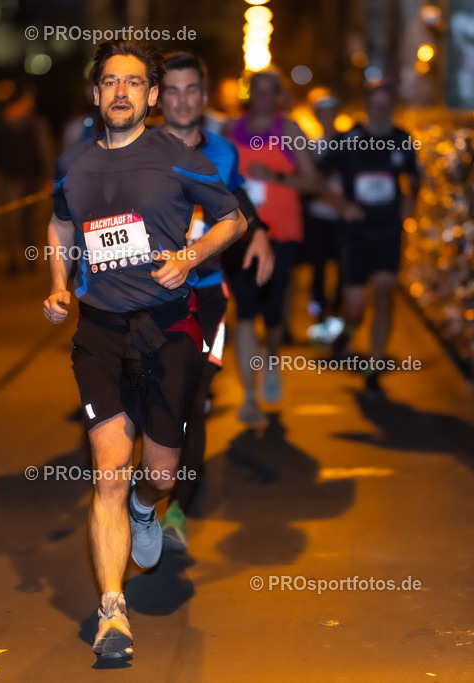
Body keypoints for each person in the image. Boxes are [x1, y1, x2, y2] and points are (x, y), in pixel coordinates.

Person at [43, 40, 246, 659]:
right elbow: (59, 223)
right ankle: (112, 612)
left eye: (134, 83)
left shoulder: (177, 157)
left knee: (159, 473)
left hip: (167, 327)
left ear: (152, 97)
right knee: (108, 466)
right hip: (100, 329)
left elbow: (231, 218)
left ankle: (145, 506)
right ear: (96, 93)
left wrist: (188, 256)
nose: (122, 93)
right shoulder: (76, 165)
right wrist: (57, 282)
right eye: (111, 82)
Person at [157, 51, 274, 549]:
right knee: (150, 400)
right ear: (158, 98)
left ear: (203, 98)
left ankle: (177, 510)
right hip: (149, 294)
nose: (182, 100)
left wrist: (261, 233)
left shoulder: (223, 152)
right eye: (172, 90)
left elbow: (238, 200)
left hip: (205, 295)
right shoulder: (139, 150)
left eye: (191, 90)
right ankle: (144, 492)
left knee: (194, 397)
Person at [224, 69, 320, 425]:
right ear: (250, 94)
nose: (263, 97)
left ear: (278, 95)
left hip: (283, 234)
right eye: (258, 91)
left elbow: (314, 181)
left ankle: (274, 357)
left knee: (274, 311)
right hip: (240, 234)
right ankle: (249, 396)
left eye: (270, 91)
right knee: (245, 309)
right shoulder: (230, 130)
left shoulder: (290, 130)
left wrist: (276, 176)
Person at [320, 80, 420, 395]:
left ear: (392, 106)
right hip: (355, 232)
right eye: (374, 103)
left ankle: (374, 368)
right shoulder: (349, 139)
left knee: (385, 296)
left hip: (388, 229)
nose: (380, 109)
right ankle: (345, 333)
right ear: (366, 105)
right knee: (355, 307)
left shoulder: (402, 139)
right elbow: (316, 177)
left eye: (385, 103)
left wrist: (410, 198)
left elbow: (415, 177)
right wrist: (340, 204)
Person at [0, 82, 55, 276]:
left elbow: (45, 151)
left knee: (24, 222)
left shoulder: (28, 122)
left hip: (22, 178)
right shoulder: (10, 123)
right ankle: (20, 260)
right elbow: (46, 151)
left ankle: (24, 259)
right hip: (16, 178)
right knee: (18, 222)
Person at [304, 93, 346, 344]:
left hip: (341, 217)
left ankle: (338, 319)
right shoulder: (312, 146)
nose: (328, 117)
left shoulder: (349, 143)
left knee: (343, 269)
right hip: (318, 217)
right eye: (323, 112)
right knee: (317, 269)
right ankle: (320, 319)